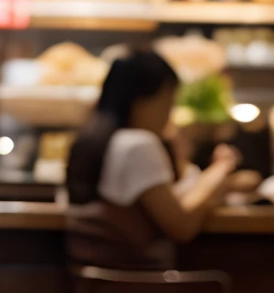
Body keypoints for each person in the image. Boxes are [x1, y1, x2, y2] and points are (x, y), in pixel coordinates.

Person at [64, 50, 241, 269]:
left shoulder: (92, 142)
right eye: (167, 103)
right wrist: (220, 169)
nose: (169, 115)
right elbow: (182, 226)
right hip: (142, 287)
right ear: (142, 100)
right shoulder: (137, 144)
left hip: (105, 286)